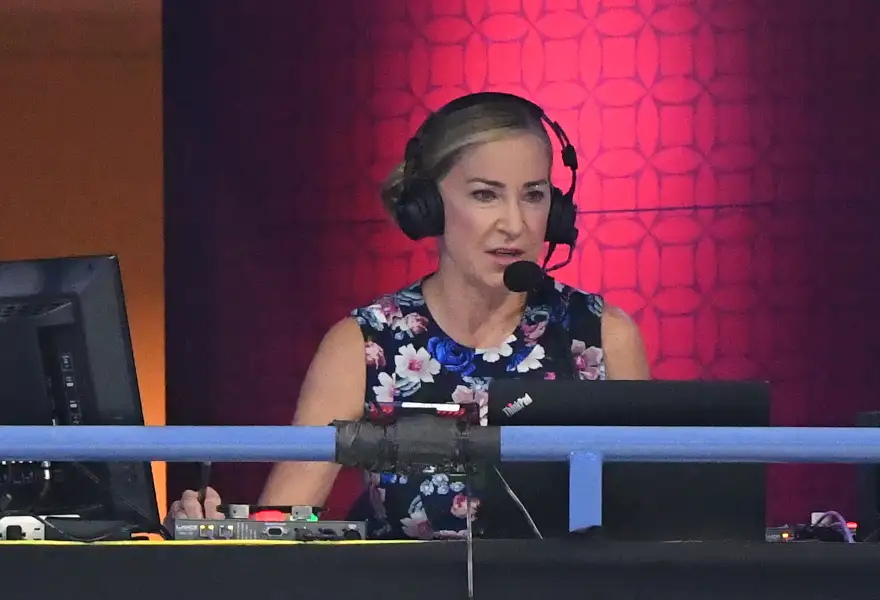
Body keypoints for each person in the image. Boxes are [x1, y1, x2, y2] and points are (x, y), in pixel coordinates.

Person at [168, 92, 650, 539]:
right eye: (486, 194)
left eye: (534, 195)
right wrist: (217, 532)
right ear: (429, 207)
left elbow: (648, 523)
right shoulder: (365, 345)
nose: (515, 223)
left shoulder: (601, 337)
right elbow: (282, 526)